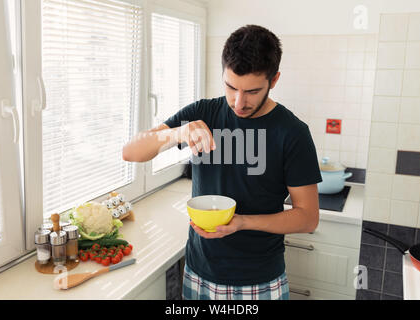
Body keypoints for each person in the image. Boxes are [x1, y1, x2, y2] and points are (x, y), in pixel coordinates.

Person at [122, 25, 322, 300]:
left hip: (259, 281)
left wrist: (242, 222)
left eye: (251, 91)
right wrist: (176, 133)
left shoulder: (292, 133)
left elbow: (308, 218)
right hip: (199, 272)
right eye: (230, 87)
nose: (238, 102)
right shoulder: (203, 113)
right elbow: (131, 152)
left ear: (273, 80)